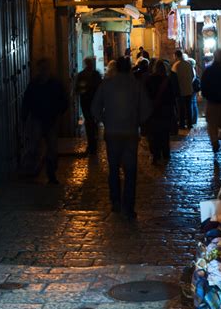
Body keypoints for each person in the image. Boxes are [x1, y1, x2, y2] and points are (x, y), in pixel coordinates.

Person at [92, 56, 151, 220]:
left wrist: (105, 119)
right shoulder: (136, 86)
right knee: (130, 171)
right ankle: (128, 206)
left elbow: (95, 108)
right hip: (130, 133)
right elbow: (146, 109)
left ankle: (115, 201)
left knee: (113, 169)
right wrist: (137, 121)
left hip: (112, 133)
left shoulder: (106, 85)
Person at [21, 58, 68, 184]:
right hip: (38, 119)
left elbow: (63, 100)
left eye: (45, 68)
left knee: (51, 148)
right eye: (42, 69)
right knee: (36, 146)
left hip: (50, 120)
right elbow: (27, 101)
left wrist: (58, 113)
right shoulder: (36, 84)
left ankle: (51, 173)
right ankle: (35, 170)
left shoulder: (53, 84)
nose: (43, 71)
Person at [145, 60, 177, 164]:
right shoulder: (167, 80)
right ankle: (166, 153)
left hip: (154, 111)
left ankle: (156, 154)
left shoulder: (149, 80)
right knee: (165, 133)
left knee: (155, 134)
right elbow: (172, 97)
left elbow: (147, 96)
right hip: (165, 111)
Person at [75, 57, 102, 156]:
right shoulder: (95, 75)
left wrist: (84, 92)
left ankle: (92, 144)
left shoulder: (83, 75)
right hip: (92, 102)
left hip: (87, 102)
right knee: (92, 122)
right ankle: (93, 144)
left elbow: (79, 89)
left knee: (90, 123)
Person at [171, 50, 194, 130]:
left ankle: (182, 124)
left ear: (176, 56)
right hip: (188, 89)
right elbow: (192, 76)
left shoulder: (175, 66)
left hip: (180, 90)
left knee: (181, 109)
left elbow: (173, 79)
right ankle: (189, 124)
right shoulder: (188, 64)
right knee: (188, 108)